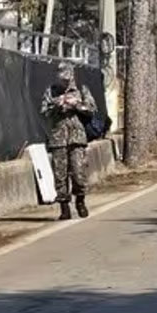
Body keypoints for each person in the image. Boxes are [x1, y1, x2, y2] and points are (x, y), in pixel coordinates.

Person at [41, 61, 98, 220]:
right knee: (60, 174)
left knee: (79, 172)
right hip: (58, 138)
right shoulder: (51, 91)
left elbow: (92, 109)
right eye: (62, 79)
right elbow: (44, 111)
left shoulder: (81, 90)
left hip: (77, 138)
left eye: (67, 79)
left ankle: (80, 200)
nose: (65, 82)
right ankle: (64, 207)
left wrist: (76, 105)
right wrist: (57, 105)